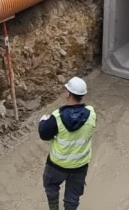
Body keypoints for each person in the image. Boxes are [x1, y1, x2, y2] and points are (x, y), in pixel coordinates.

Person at [39, 77, 97, 210]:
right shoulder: (91, 113)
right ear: (82, 95)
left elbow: (44, 135)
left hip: (57, 166)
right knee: (72, 197)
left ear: (68, 93)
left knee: (51, 186)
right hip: (80, 166)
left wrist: (43, 122)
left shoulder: (57, 117)